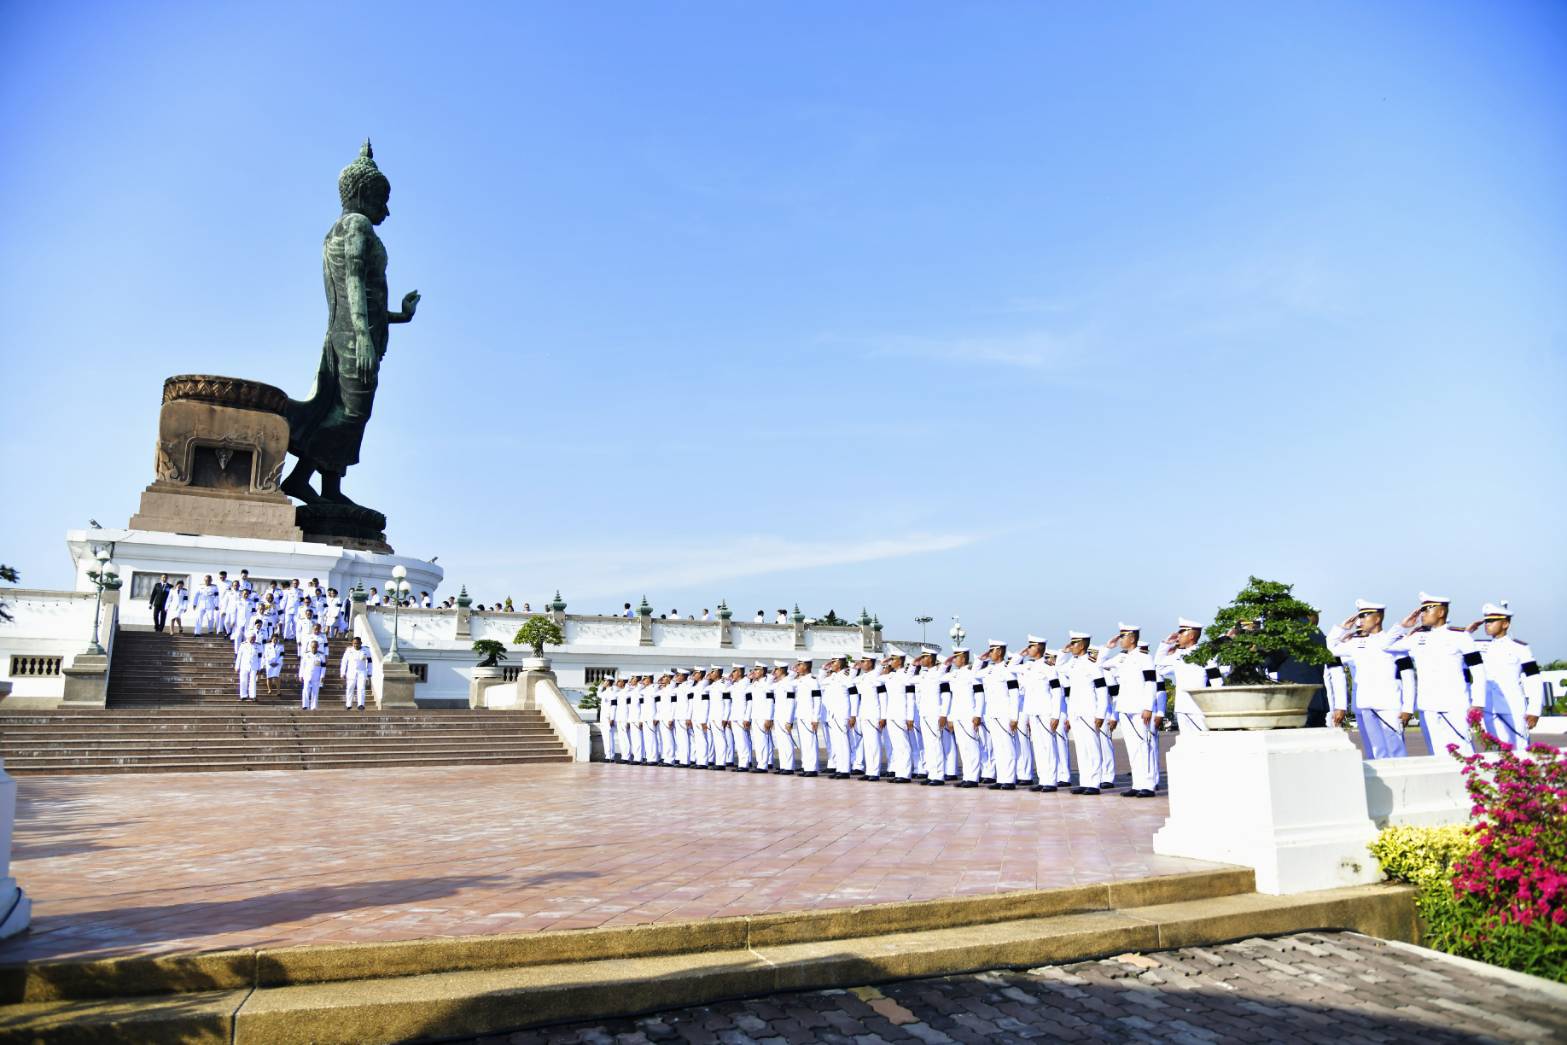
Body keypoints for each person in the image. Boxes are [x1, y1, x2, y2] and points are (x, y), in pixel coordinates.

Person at [1386, 593, 1487, 757]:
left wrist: (1478, 702)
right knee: (1437, 754)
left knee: (1464, 751)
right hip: (1428, 706)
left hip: (1455, 704)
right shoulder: (1418, 637)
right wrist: (1402, 626)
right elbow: (1385, 645)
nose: (1422, 615)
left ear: (1441, 612)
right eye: (1422, 611)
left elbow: (1478, 671)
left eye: (1427, 610)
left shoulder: (1460, 636)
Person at [1327, 600, 1416, 759]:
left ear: (1377, 618)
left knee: (1396, 749)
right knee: (1377, 750)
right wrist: (1341, 629)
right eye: (1360, 616)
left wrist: (1408, 708)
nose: (1360, 620)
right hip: (1366, 703)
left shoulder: (1393, 641)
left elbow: (1408, 677)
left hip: (1389, 704)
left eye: (1365, 616)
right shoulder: (1356, 643)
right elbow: (1331, 649)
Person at [1468, 602, 1544, 749]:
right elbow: (1458, 647)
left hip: (1513, 707)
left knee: (1519, 749)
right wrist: (1467, 632)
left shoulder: (1520, 648)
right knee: (1496, 750)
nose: (1487, 624)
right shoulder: (1478, 646)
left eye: (1492, 621)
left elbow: (1534, 678)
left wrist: (1534, 710)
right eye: (1486, 621)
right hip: (1490, 708)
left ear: (1505, 624)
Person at [1099, 625, 1159, 797]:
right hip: (1125, 708)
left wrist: (1148, 707)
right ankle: (1138, 784)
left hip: (1140, 708)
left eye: (1123, 636)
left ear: (1132, 638)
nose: (1120, 640)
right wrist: (1107, 648)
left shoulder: (1144, 658)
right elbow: (1099, 665)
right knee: (1132, 748)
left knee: (1144, 746)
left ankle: (1148, 785)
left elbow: (1150, 682)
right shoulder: (1121, 658)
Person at [1060, 631, 1108, 794]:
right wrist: (1063, 652)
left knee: (1092, 747)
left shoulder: (1092, 663)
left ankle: (1094, 783)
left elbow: (1102, 689)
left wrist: (1100, 713)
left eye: (1074, 643)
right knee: (1081, 749)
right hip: (1075, 711)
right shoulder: (1072, 663)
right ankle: (1085, 781)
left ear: (1082, 645)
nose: (1071, 646)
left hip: (1089, 710)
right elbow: (1058, 668)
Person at [977, 641, 1020, 790]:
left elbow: (1014, 694)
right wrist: (980, 660)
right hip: (992, 713)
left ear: (1000, 652)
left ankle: (1009, 779)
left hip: (1004, 713)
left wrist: (1014, 717)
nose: (989, 653)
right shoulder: (989, 670)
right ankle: (1001, 778)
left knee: (1007, 747)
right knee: (997, 747)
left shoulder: (1008, 670)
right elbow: (974, 675)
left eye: (992, 651)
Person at [915, 647, 954, 785]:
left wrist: (943, 714)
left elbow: (946, 696)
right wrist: (913, 665)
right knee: (928, 745)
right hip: (924, 714)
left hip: (934, 714)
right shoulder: (923, 675)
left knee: (935, 744)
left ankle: (938, 775)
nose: (921, 659)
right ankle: (931, 773)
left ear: (931, 658)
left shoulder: (939, 674)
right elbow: (907, 680)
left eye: (924, 657)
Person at [946, 648, 983, 787]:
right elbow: (952, 696)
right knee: (963, 747)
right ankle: (967, 777)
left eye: (956, 657)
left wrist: (978, 714)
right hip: (957, 715)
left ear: (963, 658)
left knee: (971, 746)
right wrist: (951, 717)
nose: (954, 660)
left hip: (969, 715)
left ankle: (973, 778)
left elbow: (979, 694)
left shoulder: (972, 673)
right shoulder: (954, 675)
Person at [340, 635, 372, 710]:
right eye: (354, 643)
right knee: (350, 688)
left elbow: (370, 662)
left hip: (362, 671)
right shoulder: (349, 650)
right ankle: (348, 705)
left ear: (361, 643)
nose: (356, 645)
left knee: (361, 688)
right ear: (352, 643)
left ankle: (361, 704)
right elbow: (344, 662)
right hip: (351, 671)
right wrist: (342, 672)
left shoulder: (366, 650)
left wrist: (370, 672)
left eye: (357, 643)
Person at [299, 639, 326, 710]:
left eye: (315, 647)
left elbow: (323, 667)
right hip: (307, 675)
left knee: (315, 691)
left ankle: (313, 706)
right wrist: (300, 675)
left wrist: (322, 676)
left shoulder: (321, 655)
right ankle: (305, 705)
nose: (314, 648)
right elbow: (302, 665)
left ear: (318, 647)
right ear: (310, 647)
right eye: (313, 647)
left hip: (316, 676)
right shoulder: (306, 654)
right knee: (305, 690)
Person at [235, 634, 262, 702]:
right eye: (252, 638)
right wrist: (237, 666)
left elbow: (260, 658)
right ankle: (243, 695)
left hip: (254, 665)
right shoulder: (243, 645)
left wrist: (260, 668)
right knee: (243, 680)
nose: (253, 639)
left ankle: (253, 696)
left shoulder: (258, 645)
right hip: (244, 665)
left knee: (253, 681)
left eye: (254, 638)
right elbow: (239, 656)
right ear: (248, 637)